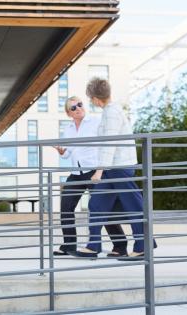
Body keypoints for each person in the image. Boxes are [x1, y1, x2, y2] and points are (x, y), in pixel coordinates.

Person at [75, 78, 156, 259]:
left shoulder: (112, 113)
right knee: (96, 204)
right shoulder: (109, 111)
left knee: (133, 206)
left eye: (90, 99)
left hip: (119, 167)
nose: (91, 102)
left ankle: (143, 246)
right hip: (113, 168)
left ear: (96, 98)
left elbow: (109, 144)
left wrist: (99, 170)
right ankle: (93, 246)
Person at [53, 96, 127, 258]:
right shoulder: (69, 129)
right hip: (76, 173)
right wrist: (62, 152)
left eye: (80, 105)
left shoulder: (95, 122)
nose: (78, 108)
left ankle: (120, 246)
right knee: (66, 207)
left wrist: (102, 169)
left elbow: (106, 143)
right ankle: (69, 245)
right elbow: (68, 153)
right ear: (68, 113)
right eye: (73, 107)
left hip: (94, 171)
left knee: (103, 209)